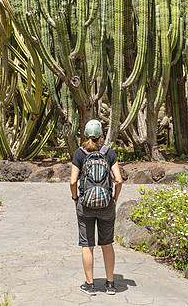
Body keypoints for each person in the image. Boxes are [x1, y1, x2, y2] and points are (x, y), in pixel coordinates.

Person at [70, 119, 123, 296]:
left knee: (87, 245)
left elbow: (72, 181)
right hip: (107, 205)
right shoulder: (109, 153)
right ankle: (110, 284)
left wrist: (76, 198)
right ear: (101, 135)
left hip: (85, 205)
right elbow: (118, 180)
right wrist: (114, 198)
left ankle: (90, 285)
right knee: (107, 244)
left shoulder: (79, 153)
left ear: (85, 134)